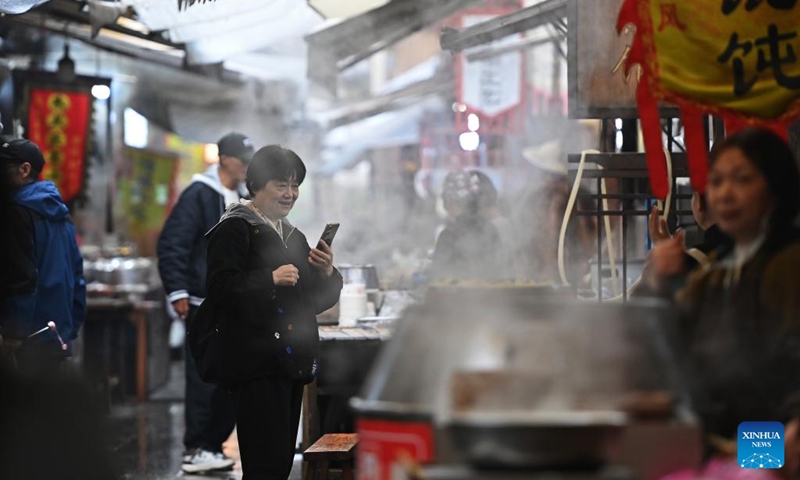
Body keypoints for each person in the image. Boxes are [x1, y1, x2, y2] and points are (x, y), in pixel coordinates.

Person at [650, 128, 800, 472]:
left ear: (775, 188)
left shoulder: (790, 265)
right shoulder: (714, 271)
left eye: (742, 180)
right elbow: (671, 347)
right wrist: (659, 284)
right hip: (720, 440)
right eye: (716, 182)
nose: (725, 194)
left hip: (775, 438)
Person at [204, 145, 343, 479]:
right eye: (282, 184)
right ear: (257, 184)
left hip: (289, 361)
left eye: (295, 186)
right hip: (255, 363)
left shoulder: (291, 235)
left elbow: (311, 299)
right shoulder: (234, 228)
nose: (290, 194)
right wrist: (268, 279)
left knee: (280, 459)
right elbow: (219, 291)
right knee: (263, 461)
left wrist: (326, 273)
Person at [156, 132, 254, 473]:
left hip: (233, 303)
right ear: (224, 159)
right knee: (202, 378)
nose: (246, 165)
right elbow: (173, 244)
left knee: (230, 376)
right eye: (242, 159)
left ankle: (212, 445)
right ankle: (196, 446)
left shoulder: (240, 196)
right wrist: (178, 291)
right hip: (200, 302)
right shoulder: (198, 193)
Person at [0, 139, 85, 375]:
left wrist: (13, 334)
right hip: (55, 334)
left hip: (25, 340)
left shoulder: (16, 212)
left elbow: (21, 278)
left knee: (23, 408)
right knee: (46, 407)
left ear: (24, 170)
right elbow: (77, 274)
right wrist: (69, 327)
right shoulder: (62, 216)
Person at [430, 169, 505, 282]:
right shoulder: (491, 230)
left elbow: (437, 280)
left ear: (449, 202)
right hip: (493, 297)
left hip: (456, 298)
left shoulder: (448, 235)